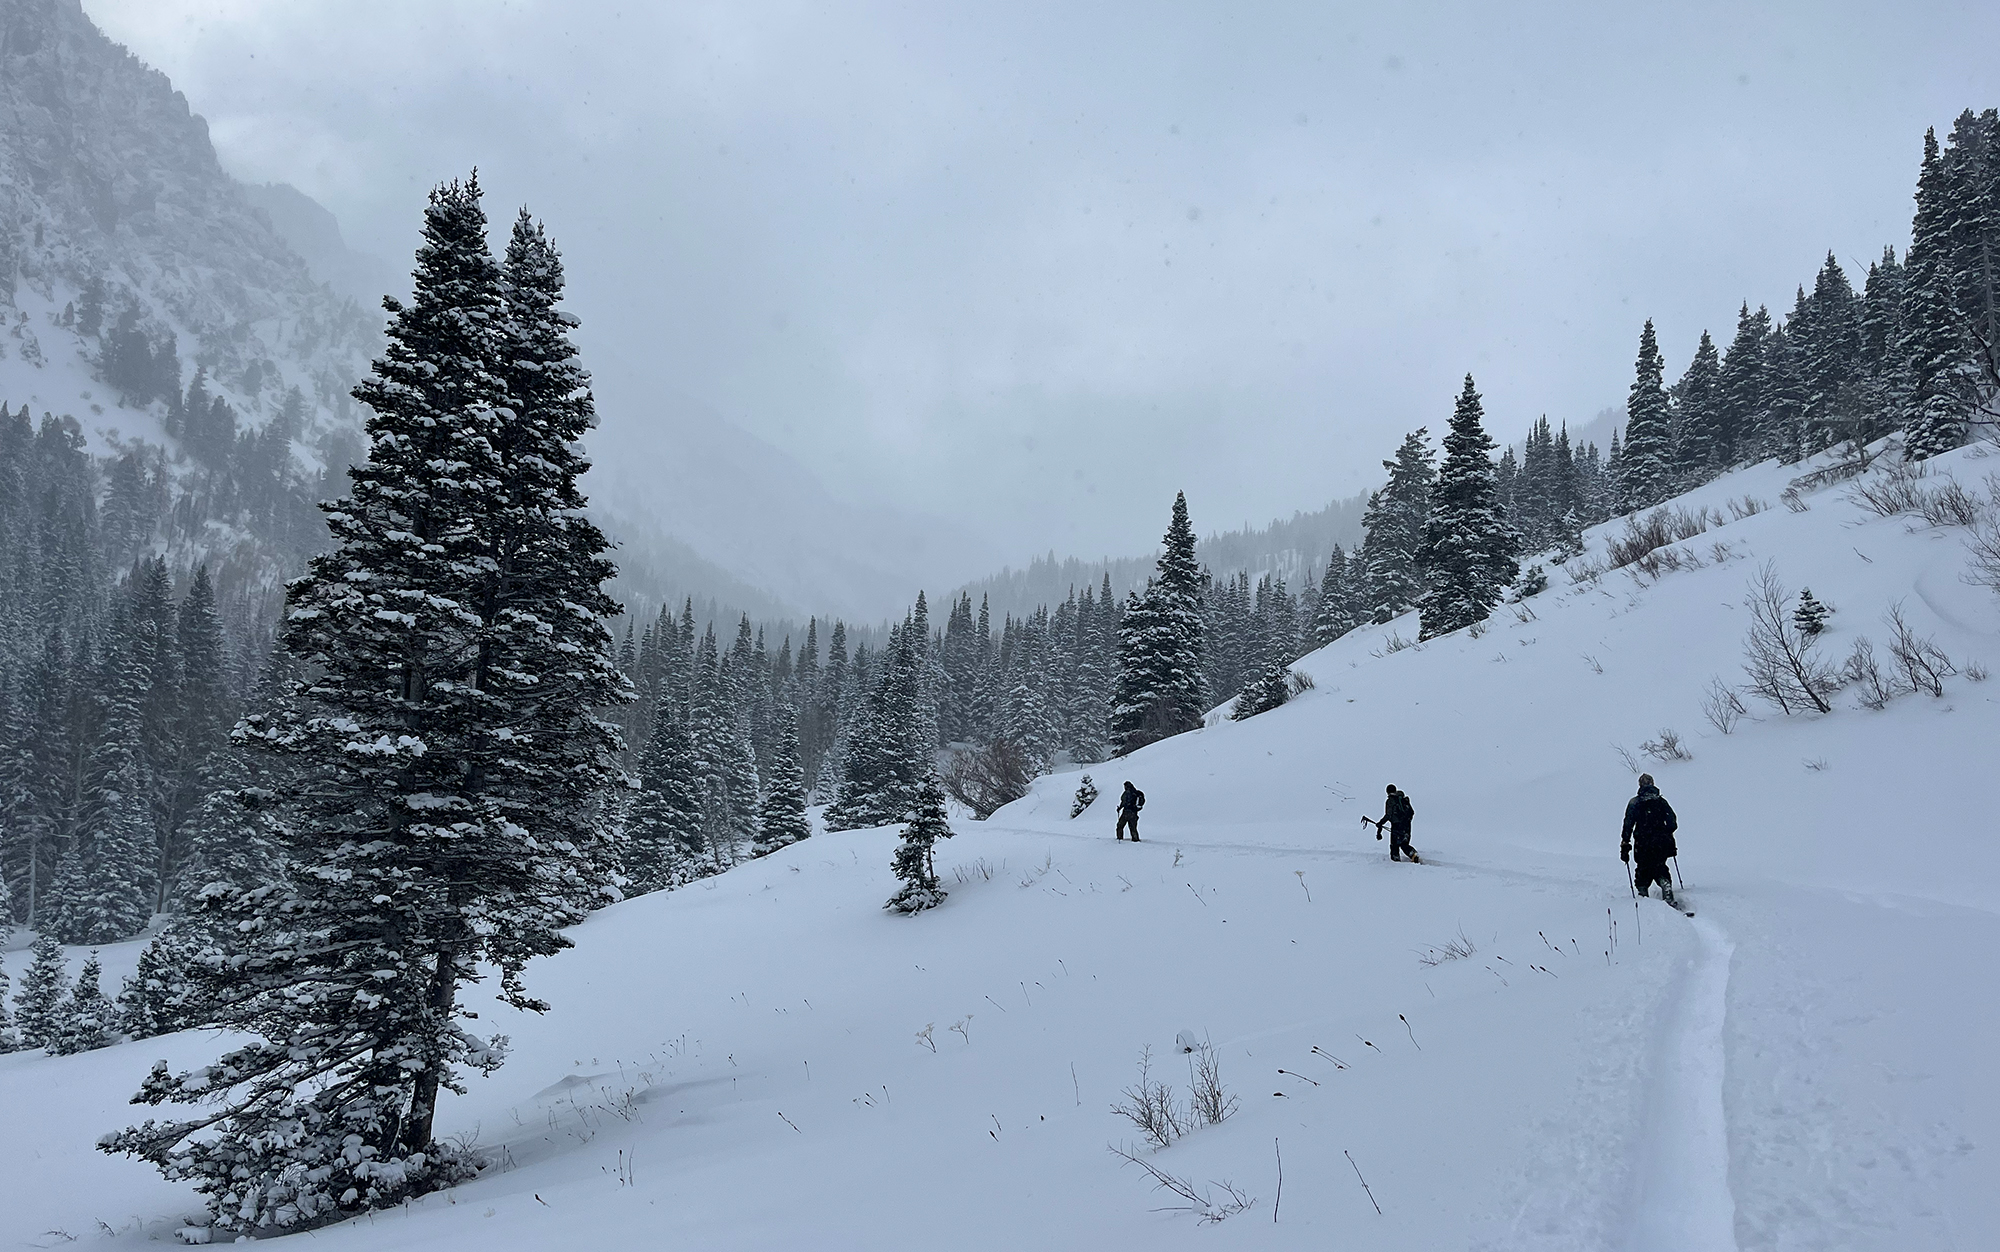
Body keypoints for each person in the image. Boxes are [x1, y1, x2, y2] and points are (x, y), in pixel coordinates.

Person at [1621, 773, 1679, 906]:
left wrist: (1625, 841)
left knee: (1642, 867)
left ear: (1640, 785)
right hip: (1661, 841)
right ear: (1652, 784)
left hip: (1642, 842)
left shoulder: (1635, 802)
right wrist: (1666, 833)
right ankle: (1666, 887)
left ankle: (1643, 895)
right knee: (1660, 865)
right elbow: (1672, 821)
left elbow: (1628, 823)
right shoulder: (1661, 802)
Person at [1381, 784, 1419, 863]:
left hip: (1396, 825)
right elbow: (1411, 812)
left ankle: (1396, 862)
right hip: (1407, 824)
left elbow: (1388, 815)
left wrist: (1380, 823)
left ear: (1387, 791)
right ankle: (1413, 854)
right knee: (1404, 843)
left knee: (1394, 844)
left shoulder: (1390, 800)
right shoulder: (1403, 799)